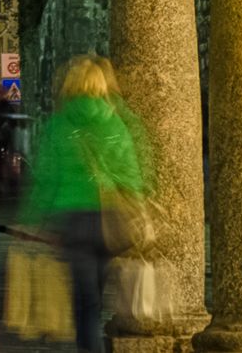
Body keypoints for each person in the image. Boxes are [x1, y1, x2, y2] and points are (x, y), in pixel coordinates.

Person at [19, 55, 152, 353]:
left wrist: (33, 217)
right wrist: (139, 206)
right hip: (110, 220)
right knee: (96, 295)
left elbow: (46, 178)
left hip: (73, 219)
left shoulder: (58, 125)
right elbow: (130, 174)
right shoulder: (114, 123)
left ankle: (89, 347)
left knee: (84, 300)